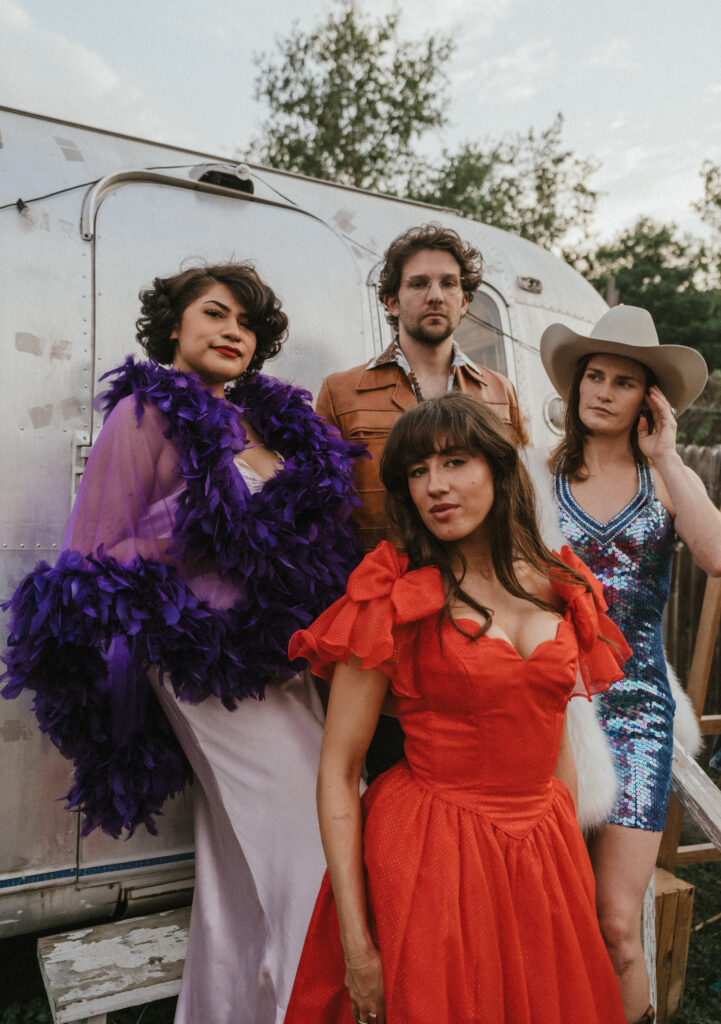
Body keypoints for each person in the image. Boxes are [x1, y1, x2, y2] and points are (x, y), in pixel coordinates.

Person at [2, 263, 362, 1024]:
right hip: (202, 660)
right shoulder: (143, 413)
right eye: (215, 313)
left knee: (239, 865)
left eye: (249, 324)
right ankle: (315, 1005)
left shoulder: (265, 419)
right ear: (174, 324)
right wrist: (188, 525)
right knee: (315, 839)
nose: (235, 331)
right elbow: (94, 561)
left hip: (281, 659)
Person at [283, 393, 629, 1024]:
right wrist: (358, 947)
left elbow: (556, 747)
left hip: (543, 844)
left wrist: (573, 873)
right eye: (417, 472)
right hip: (431, 856)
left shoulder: (561, 586)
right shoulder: (392, 594)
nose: (435, 487)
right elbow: (338, 769)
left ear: (498, 469)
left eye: (454, 462)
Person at [541, 304, 721, 1024]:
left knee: (617, 922)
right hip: (547, 706)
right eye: (593, 375)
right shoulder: (536, 477)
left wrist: (666, 457)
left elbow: (714, 555)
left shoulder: (663, 483)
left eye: (621, 381)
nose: (602, 391)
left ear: (647, 399)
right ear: (575, 386)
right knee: (551, 915)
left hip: (635, 711)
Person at [316, 222, 529, 779]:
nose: (434, 294)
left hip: (483, 623)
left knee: (483, 780)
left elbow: (518, 507)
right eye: (418, 284)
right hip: (387, 631)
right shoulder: (341, 391)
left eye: (448, 283)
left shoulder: (500, 394)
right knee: (389, 785)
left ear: (464, 301)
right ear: (392, 300)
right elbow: (319, 517)